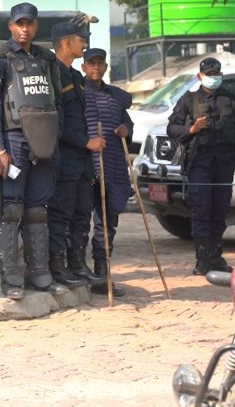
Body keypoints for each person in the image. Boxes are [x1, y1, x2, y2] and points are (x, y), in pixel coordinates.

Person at [0, 2, 65, 299]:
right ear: (11, 26)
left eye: (29, 23)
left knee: (37, 211)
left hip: (45, 143)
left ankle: (40, 274)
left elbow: (57, 103)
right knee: (11, 210)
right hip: (13, 142)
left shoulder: (47, 59)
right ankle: (12, 279)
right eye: (19, 23)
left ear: (36, 25)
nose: (24, 29)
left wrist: (55, 142)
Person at [167, 57, 235, 275]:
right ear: (199, 76)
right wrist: (192, 129)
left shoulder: (231, 100)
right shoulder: (189, 100)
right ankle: (202, 261)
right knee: (202, 210)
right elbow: (171, 129)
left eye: (216, 74)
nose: (213, 78)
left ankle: (216, 258)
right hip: (199, 163)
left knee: (219, 211)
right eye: (209, 74)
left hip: (224, 164)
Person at [48, 21, 105, 290]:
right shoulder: (52, 74)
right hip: (65, 157)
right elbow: (56, 123)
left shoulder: (75, 76)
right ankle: (58, 266)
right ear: (66, 42)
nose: (85, 44)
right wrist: (86, 142)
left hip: (82, 160)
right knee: (62, 213)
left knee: (82, 213)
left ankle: (78, 264)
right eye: (81, 40)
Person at [82, 48, 134, 297]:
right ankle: (78, 272)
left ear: (105, 67)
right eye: (91, 63)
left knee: (107, 222)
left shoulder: (116, 96)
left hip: (111, 164)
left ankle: (102, 275)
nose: (95, 67)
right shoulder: (76, 93)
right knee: (78, 222)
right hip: (83, 165)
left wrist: (126, 128)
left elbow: (127, 121)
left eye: (99, 63)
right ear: (84, 67)